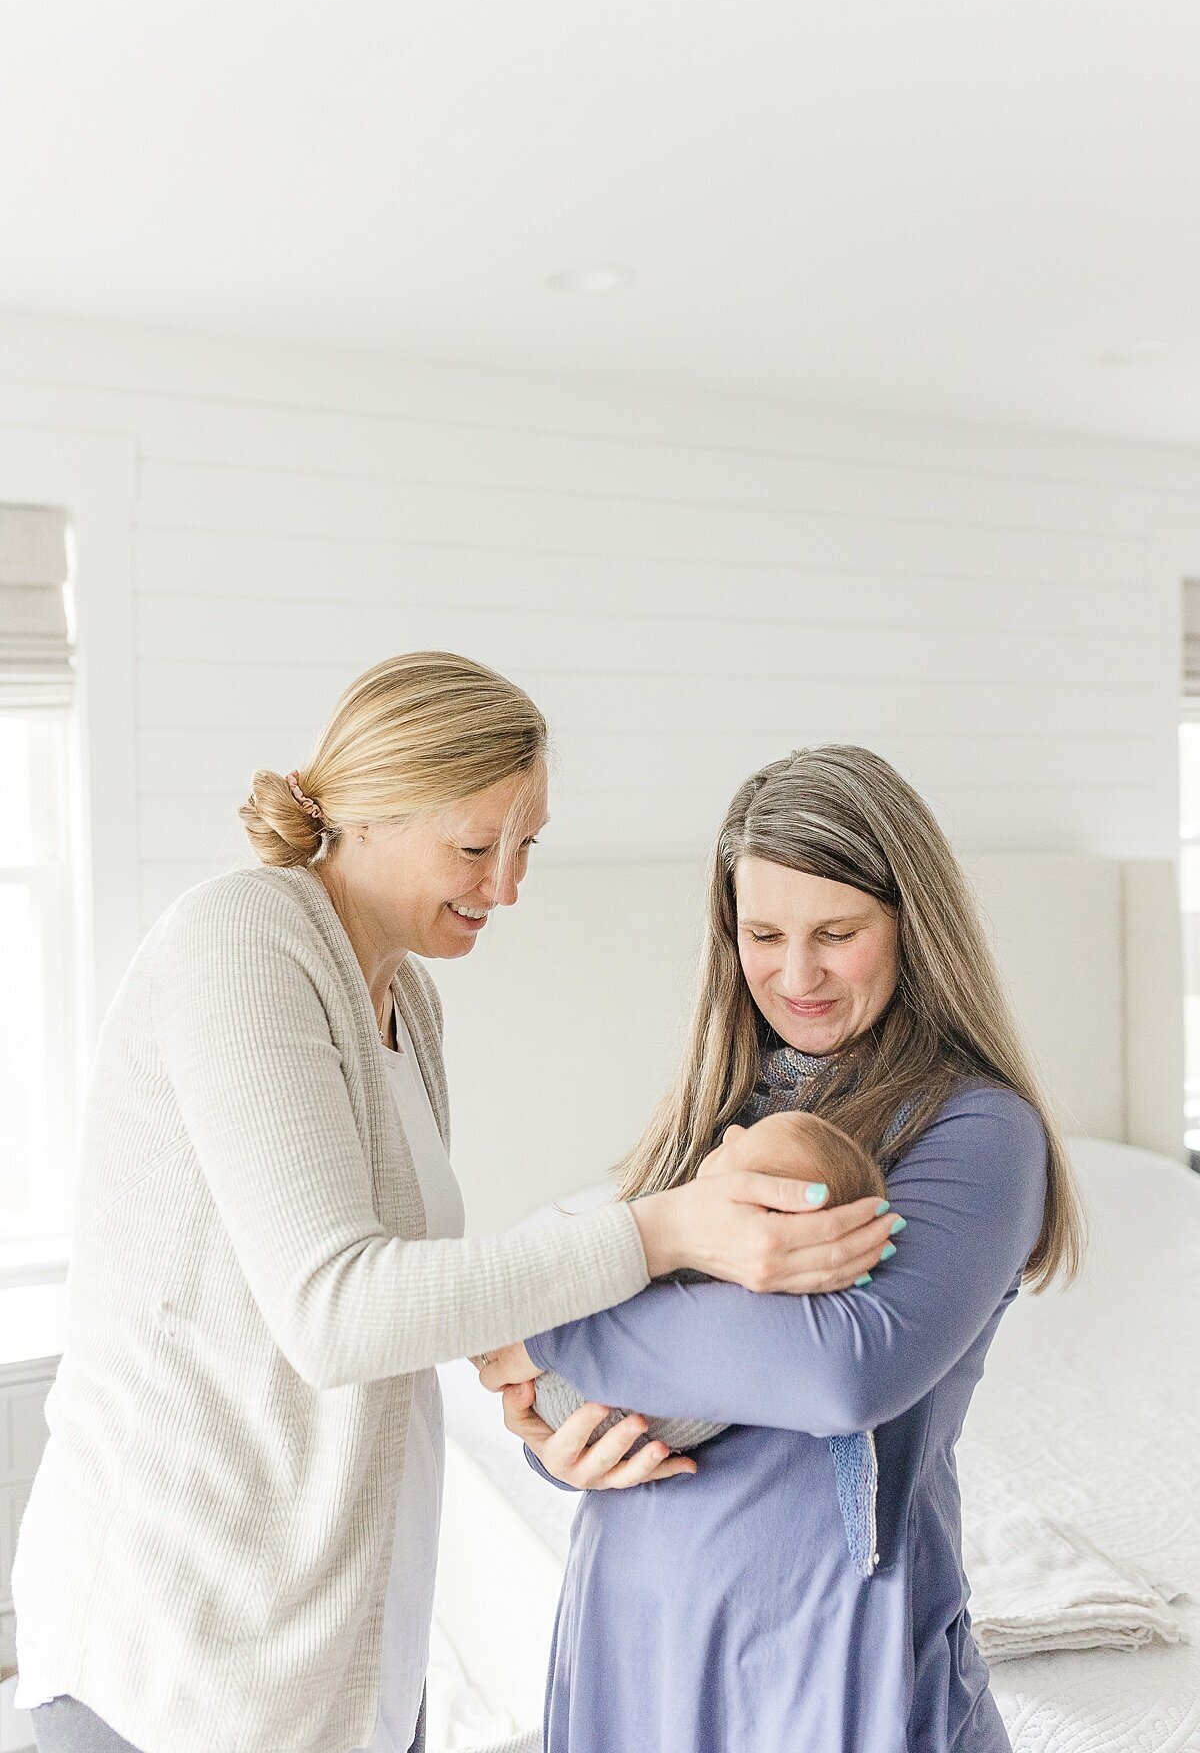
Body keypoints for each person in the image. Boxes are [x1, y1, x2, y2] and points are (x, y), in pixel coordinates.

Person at [12, 656, 899, 1753]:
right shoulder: (240, 940)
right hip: (183, 1652)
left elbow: (410, 1297)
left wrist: (528, 1387)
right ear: (366, 815)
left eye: (526, 846)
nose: (508, 886)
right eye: (477, 847)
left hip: (347, 1655)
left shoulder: (408, 1003)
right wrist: (661, 1229)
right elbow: (337, 1311)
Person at [480, 743, 1086, 1753]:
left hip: (823, 1648)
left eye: (836, 933)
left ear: (911, 929)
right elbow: (662, 1367)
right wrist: (563, 1450)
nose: (794, 975)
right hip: (636, 1626)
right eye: (763, 933)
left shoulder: (978, 1132)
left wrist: (548, 1325)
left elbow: (839, 1371)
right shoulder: (713, 1122)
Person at [532, 1109, 889, 1453]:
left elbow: (583, 1264)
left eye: (743, 1145)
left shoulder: (726, 1316)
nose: (733, 1131)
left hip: (583, 1398)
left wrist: (541, 1339)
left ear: (762, 1219)